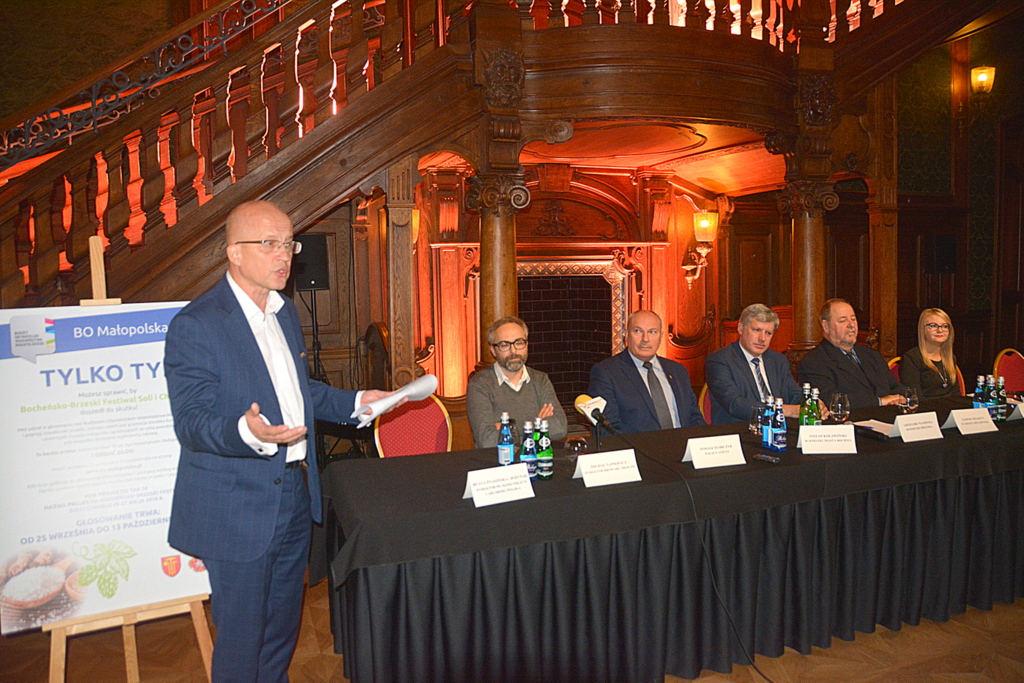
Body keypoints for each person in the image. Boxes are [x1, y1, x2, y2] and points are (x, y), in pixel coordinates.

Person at [163, 200, 400, 682]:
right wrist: (245, 431)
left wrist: (357, 401)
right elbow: (191, 421)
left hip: (295, 492)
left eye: (289, 244)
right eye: (269, 243)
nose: (284, 255)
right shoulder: (197, 324)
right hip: (237, 504)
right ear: (233, 252)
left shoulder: (284, 311)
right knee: (242, 638)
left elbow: (298, 392)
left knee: (280, 630)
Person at [588, 309, 705, 434]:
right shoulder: (606, 372)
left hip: (684, 444)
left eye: (652, 332)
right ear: (626, 334)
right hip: (637, 446)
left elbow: (694, 417)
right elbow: (608, 430)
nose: (645, 339)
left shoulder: (677, 370)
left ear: (661, 336)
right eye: (638, 331)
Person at [466, 315, 567, 448]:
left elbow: (560, 427)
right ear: (493, 350)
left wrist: (507, 429)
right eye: (504, 345)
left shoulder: (540, 380)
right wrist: (538, 424)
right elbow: (487, 440)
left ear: (527, 345)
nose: (513, 351)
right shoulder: (479, 384)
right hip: (497, 460)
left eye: (519, 343)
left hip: (537, 458)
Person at [705, 303, 807, 424]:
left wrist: (810, 403)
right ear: (741, 328)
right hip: (740, 429)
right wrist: (782, 410)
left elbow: (794, 394)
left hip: (780, 428)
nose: (762, 338)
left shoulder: (778, 360)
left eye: (768, 333)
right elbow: (735, 405)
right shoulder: (720, 360)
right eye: (756, 330)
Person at [798, 298, 906, 409]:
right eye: (843, 320)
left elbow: (895, 387)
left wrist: (904, 398)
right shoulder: (813, 362)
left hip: (889, 416)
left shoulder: (872, 355)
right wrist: (880, 401)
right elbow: (830, 400)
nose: (851, 325)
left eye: (853, 319)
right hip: (851, 418)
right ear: (826, 326)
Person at [899, 308, 961, 400]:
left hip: (951, 407)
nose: (940, 330)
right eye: (933, 326)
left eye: (945, 326)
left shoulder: (950, 357)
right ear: (922, 329)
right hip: (926, 407)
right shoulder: (911, 358)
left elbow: (956, 394)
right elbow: (915, 397)